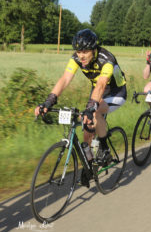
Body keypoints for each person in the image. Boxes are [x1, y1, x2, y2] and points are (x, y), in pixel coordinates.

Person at [35, 29, 127, 187]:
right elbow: (65, 79)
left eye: (85, 51)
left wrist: (92, 106)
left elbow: (102, 83)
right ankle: (88, 167)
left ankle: (104, 148)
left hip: (115, 93)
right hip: (97, 93)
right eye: (78, 51)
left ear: (94, 49)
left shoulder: (107, 59)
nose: (81, 55)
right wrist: (49, 101)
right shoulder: (76, 59)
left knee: (95, 111)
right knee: (86, 129)